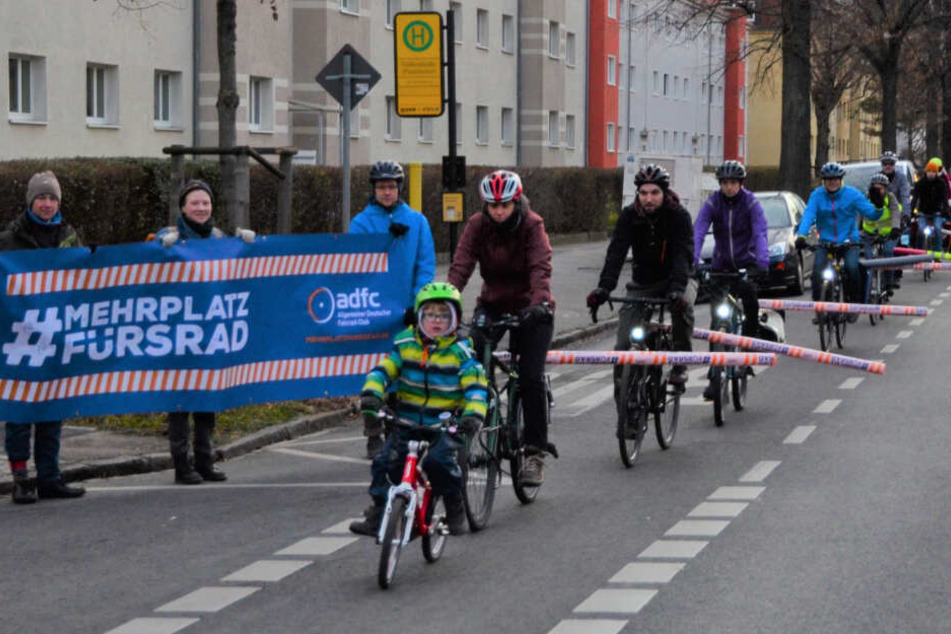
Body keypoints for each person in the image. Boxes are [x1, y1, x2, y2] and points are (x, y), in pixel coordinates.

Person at [349, 282, 487, 537]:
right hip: (408, 419)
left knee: (438, 462)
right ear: (420, 317)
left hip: (446, 424)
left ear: (454, 319)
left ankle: (454, 503)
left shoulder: (461, 352)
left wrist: (473, 415)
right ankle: (379, 511)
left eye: (444, 315)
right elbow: (384, 371)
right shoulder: (405, 344)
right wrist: (372, 394)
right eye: (430, 314)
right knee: (385, 463)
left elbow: (476, 388)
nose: (437, 320)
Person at [448, 170, 555, 486]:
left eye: (505, 205)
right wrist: (445, 303)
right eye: (493, 205)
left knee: (530, 377)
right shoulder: (477, 226)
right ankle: (465, 431)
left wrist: (540, 303)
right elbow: (461, 266)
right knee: (470, 364)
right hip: (492, 304)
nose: (498, 211)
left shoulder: (532, 225)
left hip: (531, 308)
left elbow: (540, 266)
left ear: (516, 201)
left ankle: (534, 453)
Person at [155, 179, 255, 484]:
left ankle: (205, 459)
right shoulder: (166, 237)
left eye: (206, 203)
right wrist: (159, 250)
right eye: (195, 203)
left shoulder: (219, 237)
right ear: (183, 207)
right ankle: (181, 464)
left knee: (206, 398)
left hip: (210, 331)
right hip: (177, 333)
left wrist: (247, 248)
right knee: (180, 400)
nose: (201, 208)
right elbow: (149, 271)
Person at [1, 171, 85, 504]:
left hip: (56, 335)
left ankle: (50, 477)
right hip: (19, 336)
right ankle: (21, 479)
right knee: (21, 411)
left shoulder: (68, 236)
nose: (47, 204)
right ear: (31, 201)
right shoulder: (10, 239)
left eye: (52, 198)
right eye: (41, 198)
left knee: (53, 406)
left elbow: (84, 279)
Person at [350, 161, 436, 458]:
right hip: (373, 309)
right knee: (372, 373)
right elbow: (355, 266)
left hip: (405, 312)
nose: (386, 192)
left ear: (399, 188)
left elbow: (425, 266)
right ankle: (373, 433)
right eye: (381, 187)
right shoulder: (361, 223)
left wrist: (417, 304)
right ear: (374, 190)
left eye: (391, 187)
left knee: (403, 373)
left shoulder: (417, 221)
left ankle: (397, 432)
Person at [587, 163, 697, 390]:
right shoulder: (629, 216)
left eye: (655, 193)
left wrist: (677, 289)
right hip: (643, 283)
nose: (649, 198)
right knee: (623, 345)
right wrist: (603, 288)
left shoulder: (678, 216)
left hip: (677, 280)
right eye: (644, 193)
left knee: (683, 309)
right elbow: (616, 253)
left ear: (664, 192)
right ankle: (625, 410)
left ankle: (680, 363)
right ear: (638, 193)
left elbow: (682, 256)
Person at [692, 160, 769, 400]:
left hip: (745, 264)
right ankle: (715, 376)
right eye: (724, 183)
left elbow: (760, 232)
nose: (728, 188)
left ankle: (746, 350)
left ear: (741, 183)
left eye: (733, 183)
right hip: (720, 265)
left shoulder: (751, 203)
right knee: (716, 323)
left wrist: (762, 262)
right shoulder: (713, 201)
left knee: (751, 302)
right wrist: (692, 260)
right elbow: (699, 229)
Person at [795, 162, 883, 323]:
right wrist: (801, 236)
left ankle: (853, 303)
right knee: (817, 274)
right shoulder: (817, 195)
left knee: (851, 267)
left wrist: (878, 205)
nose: (832, 182)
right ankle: (820, 309)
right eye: (828, 179)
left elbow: (872, 214)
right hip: (826, 242)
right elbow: (808, 216)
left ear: (841, 179)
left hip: (848, 241)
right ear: (823, 181)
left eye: (835, 179)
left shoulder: (852, 195)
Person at [860, 172, 903, 293]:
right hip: (870, 233)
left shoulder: (890, 198)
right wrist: (856, 230)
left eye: (881, 188)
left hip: (889, 233)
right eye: (875, 188)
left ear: (886, 188)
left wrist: (895, 228)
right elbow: (858, 213)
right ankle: (868, 288)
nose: (878, 190)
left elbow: (895, 213)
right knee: (869, 259)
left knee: (888, 252)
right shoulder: (866, 198)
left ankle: (889, 283)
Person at [910, 158, 950, 251]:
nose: (931, 173)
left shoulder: (941, 183)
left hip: (937, 212)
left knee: (937, 229)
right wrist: (911, 211)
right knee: (920, 230)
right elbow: (915, 198)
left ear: (936, 173)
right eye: (929, 171)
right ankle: (918, 252)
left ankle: (937, 253)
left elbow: (944, 199)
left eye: (933, 171)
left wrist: (946, 211)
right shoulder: (920, 183)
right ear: (926, 172)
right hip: (923, 212)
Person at [879, 151, 911, 221]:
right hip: (880, 216)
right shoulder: (877, 178)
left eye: (891, 163)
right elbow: (870, 197)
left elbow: (905, 197)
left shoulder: (901, 178)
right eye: (885, 163)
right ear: (882, 165)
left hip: (898, 215)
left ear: (894, 164)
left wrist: (906, 214)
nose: (888, 166)